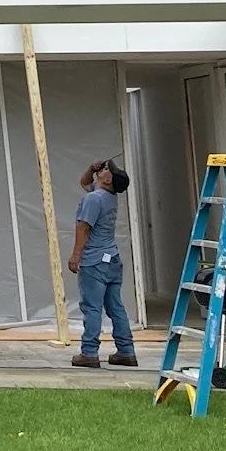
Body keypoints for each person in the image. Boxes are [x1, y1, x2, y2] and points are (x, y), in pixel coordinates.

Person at [66, 157, 136, 368]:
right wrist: (91, 168)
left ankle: (89, 353)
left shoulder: (94, 200)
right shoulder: (107, 197)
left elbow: (83, 227)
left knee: (92, 307)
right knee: (116, 307)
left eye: (106, 169)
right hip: (112, 260)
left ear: (107, 180)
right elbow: (85, 182)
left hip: (94, 261)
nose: (103, 169)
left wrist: (76, 255)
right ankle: (126, 351)